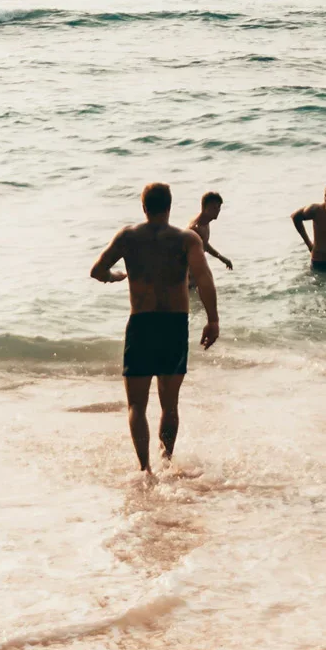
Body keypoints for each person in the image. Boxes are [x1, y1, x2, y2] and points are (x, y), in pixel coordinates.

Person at [90, 183, 220, 473]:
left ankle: (145, 469)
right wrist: (213, 320)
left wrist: (114, 277)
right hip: (174, 325)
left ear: (144, 207)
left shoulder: (128, 237)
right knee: (169, 405)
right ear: (170, 206)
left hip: (142, 324)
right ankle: (166, 461)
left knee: (136, 405)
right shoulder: (187, 239)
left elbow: (96, 270)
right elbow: (205, 278)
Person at [188, 191, 233, 270]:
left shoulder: (205, 222)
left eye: (219, 207)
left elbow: (204, 244)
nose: (217, 210)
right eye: (214, 207)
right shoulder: (195, 228)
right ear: (204, 208)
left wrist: (221, 258)